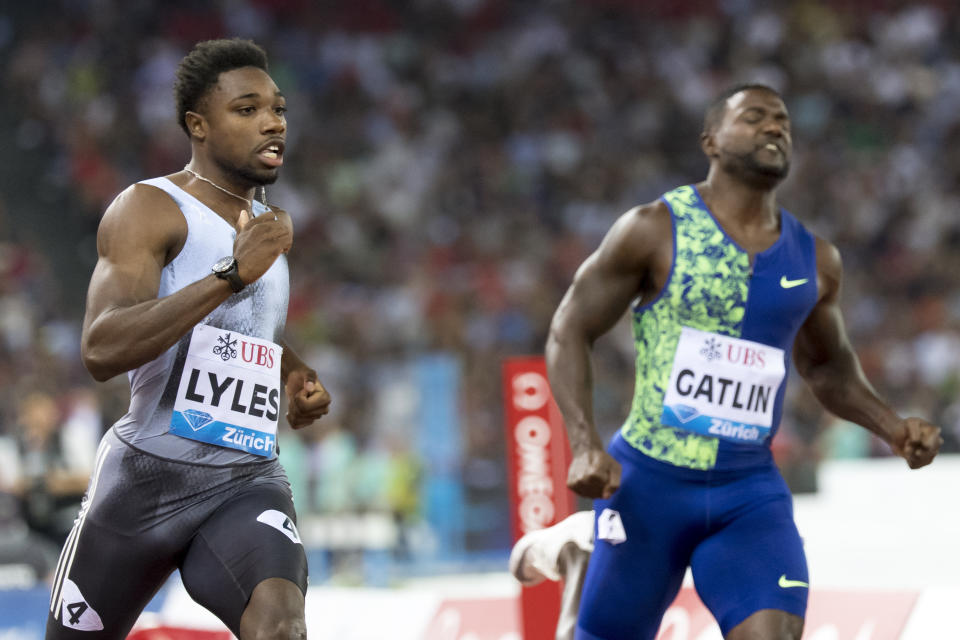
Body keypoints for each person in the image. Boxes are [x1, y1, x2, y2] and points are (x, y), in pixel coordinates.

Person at [544, 83, 942, 640]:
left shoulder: (815, 260)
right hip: (646, 483)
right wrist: (584, 442)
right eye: (754, 117)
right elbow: (569, 330)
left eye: (782, 120)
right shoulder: (653, 229)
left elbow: (827, 369)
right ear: (711, 140)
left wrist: (893, 428)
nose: (775, 127)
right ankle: (576, 573)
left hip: (746, 491)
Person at [45, 39, 331, 640]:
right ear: (197, 125)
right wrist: (229, 275)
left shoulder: (267, 224)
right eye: (247, 109)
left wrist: (290, 372)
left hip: (245, 479)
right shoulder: (149, 208)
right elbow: (102, 349)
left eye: (278, 108)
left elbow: (232, 337)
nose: (274, 121)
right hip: (142, 482)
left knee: (281, 628)